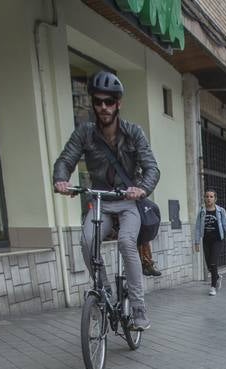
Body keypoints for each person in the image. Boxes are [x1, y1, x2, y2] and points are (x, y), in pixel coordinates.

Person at [52, 70, 159, 330]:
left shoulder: (133, 132)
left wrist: (141, 189)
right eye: (98, 101)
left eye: (109, 101)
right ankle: (104, 290)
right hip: (100, 200)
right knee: (87, 241)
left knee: (126, 242)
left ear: (118, 104)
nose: (103, 107)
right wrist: (61, 179)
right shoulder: (85, 133)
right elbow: (66, 159)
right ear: (93, 103)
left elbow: (152, 168)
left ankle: (138, 308)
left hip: (128, 201)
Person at [193, 189, 226, 296]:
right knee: (209, 266)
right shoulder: (202, 212)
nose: (209, 198)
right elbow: (197, 227)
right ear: (204, 198)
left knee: (213, 262)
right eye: (207, 196)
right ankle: (217, 277)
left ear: (215, 199)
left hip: (217, 240)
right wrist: (197, 242)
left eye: (211, 196)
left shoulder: (221, 211)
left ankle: (213, 287)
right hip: (206, 240)